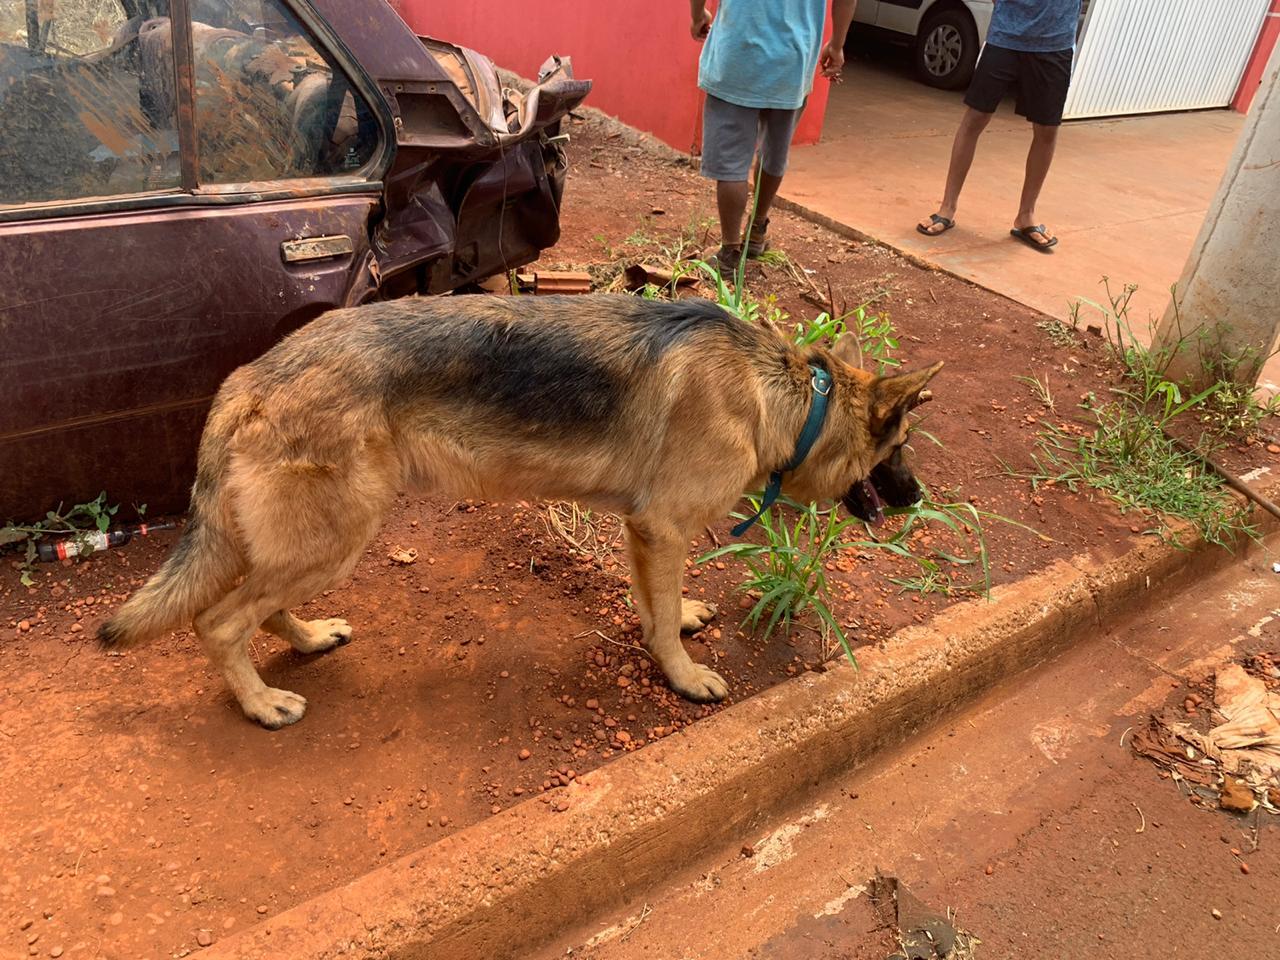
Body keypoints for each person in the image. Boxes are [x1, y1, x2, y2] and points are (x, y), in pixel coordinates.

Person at [691, 0, 857, 269]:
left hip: (736, 54)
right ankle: (757, 232)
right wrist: (836, 45)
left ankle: (730, 254)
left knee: (732, 166)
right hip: (792, 60)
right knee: (775, 153)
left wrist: (697, 14)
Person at [916, 0, 1082, 252]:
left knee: (1047, 130)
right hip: (1005, 36)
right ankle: (947, 208)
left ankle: (1026, 216)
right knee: (975, 118)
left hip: (1055, 41)